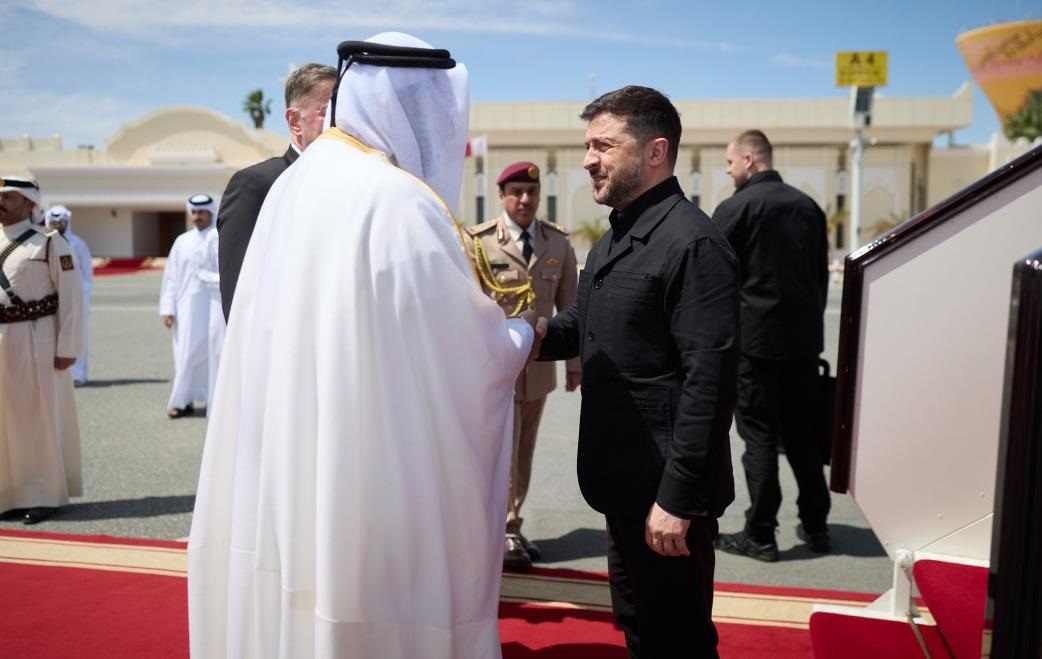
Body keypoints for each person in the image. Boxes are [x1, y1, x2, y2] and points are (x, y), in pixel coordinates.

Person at [188, 33, 546, 659]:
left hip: (299, 432)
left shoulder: (298, 182)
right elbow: (460, 350)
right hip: (371, 445)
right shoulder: (398, 199)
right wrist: (520, 334)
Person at [538, 86, 740, 658]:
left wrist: (677, 500)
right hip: (624, 484)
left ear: (655, 151)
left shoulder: (693, 243)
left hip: (664, 496)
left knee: (678, 642)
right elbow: (585, 323)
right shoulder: (618, 235)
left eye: (603, 145)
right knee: (640, 630)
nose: (588, 160)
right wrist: (524, 336)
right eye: (587, 145)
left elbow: (710, 383)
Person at [712, 129, 832, 561]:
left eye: (730, 162)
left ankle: (760, 534)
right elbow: (820, 279)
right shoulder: (808, 207)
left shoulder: (736, 209)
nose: (728, 171)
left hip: (755, 346)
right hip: (802, 345)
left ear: (749, 159)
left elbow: (710, 275)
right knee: (802, 435)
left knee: (759, 438)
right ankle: (816, 525)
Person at [466, 161, 580, 570]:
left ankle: (510, 525)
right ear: (501, 196)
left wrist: (575, 364)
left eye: (531, 192)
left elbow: (572, 307)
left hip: (539, 372)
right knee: (501, 451)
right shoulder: (478, 242)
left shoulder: (557, 242)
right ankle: (505, 528)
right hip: (496, 369)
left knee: (524, 452)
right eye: (516, 192)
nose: (525, 199)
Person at [217, 62, 337, 320]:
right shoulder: (256, 184)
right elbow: (239, 298)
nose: (338, 124)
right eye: (326, 114)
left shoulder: (350, 182)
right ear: (294, 121)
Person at [0, 176, 84, 525]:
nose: (1, 201)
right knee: (5, 419)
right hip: (2, 339)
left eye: (9, 196)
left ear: (29, 203)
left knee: (39, 418)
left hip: (37, 338)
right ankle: (9, 494)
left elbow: (72, 298)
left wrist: (69, 346)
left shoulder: (50, 243)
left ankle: (43, 493)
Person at [159, 194, 218, 418]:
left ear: (211, 212)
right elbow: (171, 278)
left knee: (213, 355)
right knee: (185, 355)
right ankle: (182, 401)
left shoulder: (219, 237)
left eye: (202, 212)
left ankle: (215, 403)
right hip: (185, 310)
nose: (197, 216)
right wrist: (168, 308)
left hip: (213, 308)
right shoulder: (182, 241)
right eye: (194, 212)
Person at [45, 205, 93, 386]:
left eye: (60, 223)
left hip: (76, 298)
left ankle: (78, 374)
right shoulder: (43, 243)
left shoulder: (78, 244)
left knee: (76, 335)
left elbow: (87, 273)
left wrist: (82, 296)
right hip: (51, 298)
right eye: (54, 223)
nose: (57, 226)